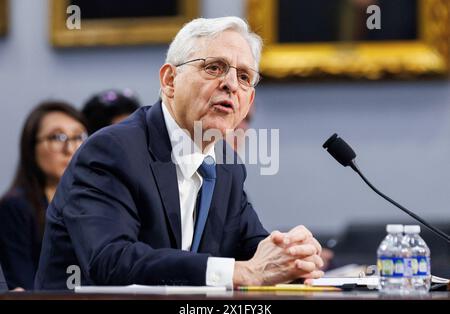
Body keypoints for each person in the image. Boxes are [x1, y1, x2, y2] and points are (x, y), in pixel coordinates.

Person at [35, 17, 324, 290]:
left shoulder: (226, 166)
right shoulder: (112, 151)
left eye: (245, 76)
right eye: (214, 67)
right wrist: (240, 272)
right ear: (170, 80)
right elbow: (111, 261)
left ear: (249, 101)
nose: (231, 84)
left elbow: (254, 248)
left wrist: (293, 258)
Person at [0, 101, 88, 290]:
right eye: (58, 137)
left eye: (79, 136)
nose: (71, 148)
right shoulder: (15, 207)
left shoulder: (96, 206)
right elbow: (21, 286)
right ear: (31, 148)